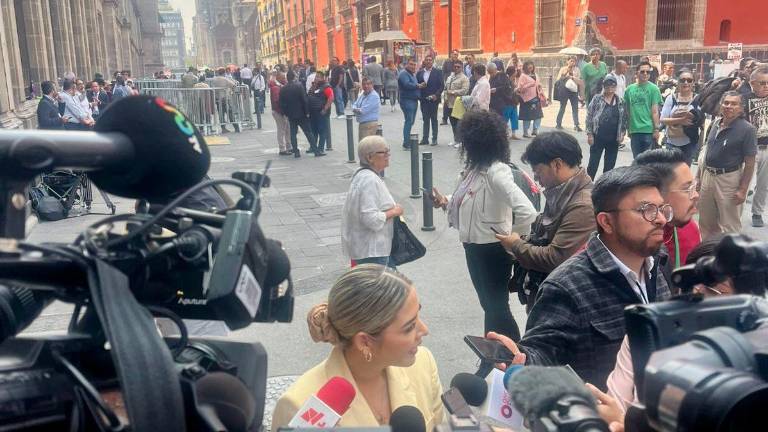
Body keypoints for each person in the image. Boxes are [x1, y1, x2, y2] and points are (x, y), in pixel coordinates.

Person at [488, 165, 672, 388]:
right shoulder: (568, 286)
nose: (661, 219)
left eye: (662, 209)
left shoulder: (658, 262)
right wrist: (522, 358)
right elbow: (543, 353)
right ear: (606, 222)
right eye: (646, 209)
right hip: (603, 418)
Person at [604, 233, 765, 417]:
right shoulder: (648, 334)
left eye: (712, 291)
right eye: (689, 287)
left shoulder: (758, 358)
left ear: (748, 303)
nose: (695, 299)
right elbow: (614, 405)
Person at [272, 265, 443, 429]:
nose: (424, 330)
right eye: (409, 327)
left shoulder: (423, 363)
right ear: (365, 342)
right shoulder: (298, 405)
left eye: (418, 315)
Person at [430, 110, 537, 340]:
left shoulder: (496, 173)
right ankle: (495, 354)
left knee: (496, 307)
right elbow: (468, 197)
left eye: (467, 143)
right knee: (489, 305)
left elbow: (528, 212)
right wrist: (445, 201)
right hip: (472, 247)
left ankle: (515, 353)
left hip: (492, 250)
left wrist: (515, 241)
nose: (464, 147)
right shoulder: (473, 170)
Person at [495, 132, 596, 310]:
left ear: (557, 164)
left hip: (562, 303)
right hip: (548, 293)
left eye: (538, 171)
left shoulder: (582, 205)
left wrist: (516, 245)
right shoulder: (562, 191)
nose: (536, 178)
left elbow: (555, 258)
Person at [634, 149, 701, 287]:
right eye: (687, 189)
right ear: (655, 194)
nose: (696, 195)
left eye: (695, 187)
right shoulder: (622, 245)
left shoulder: (689, 230)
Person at [697, 91, 757, 239]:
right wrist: (698, 178)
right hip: (708, 177)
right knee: (706, 223)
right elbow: (705, 152)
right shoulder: (715, 124)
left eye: (734, 104)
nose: (729, 106)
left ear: (741, 108)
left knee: (730, 226)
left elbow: (750, 163)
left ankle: (730, 259)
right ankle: (709, 256)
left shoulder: (747, 130)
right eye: (726, 103)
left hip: (729, 180)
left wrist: (743, 190)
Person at [341, 137, 402, 267]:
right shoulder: (369, 180)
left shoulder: (363, 175)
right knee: (390, 286)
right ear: (370, 157)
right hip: (373, 251)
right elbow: (370, 218)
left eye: (388, 151)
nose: (388, 155)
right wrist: (395, 211)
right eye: (383, 152)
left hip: (370, 249)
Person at [585, 76, 628, 179]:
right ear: (603, 86)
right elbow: (589, 116)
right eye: (607, 85)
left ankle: (604, 187)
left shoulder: (620, 101)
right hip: (597, 136)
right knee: (593, 165)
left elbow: (624, 119)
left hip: (613, 138)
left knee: (609, 166)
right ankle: (588, 186)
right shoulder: (597, 99)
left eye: (612, 85)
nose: (609, 88)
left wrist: (622, 133)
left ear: (615, 87)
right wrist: (590, 134)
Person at [660, 70, 704, 165]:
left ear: (693, 83)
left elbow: (701, 121)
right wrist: (681, 120)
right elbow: (663, 120)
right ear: (678, 82)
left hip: (689, 143)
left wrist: (692, 116)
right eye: (683, 80)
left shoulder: (698, 99)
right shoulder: (671, 98)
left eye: (689, 80)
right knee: (671, 172)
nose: (686, 83)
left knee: (684, 172)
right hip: (671, 142)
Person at [624, 61, 662, 157]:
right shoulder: (629, 90)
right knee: (636, 160)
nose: (645, 74)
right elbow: (627, 110)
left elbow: (655, 111)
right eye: (642, 71)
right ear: (636, 73)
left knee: (647, 161)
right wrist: (628, 128)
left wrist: (657, 129)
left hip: (648, 131)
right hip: (635, 131)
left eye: (648, 72)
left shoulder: (654, 89)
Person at [747, 66, 768, 227]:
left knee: (763, 184)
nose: (766, 86)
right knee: (743, 183)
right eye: (762, 83)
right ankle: (734, 214)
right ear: (752, 83)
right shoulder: (743, 98)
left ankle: (757, 213)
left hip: (766, 148)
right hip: (748, 149)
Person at [279, 70, 317, 158]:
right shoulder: (299, 86)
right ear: (294, 77)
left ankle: (296, 151)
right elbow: (304, 100)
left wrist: (286, 113)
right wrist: (307, 112)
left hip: (291, 115)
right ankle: (316, 150)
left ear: (287, 78)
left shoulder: (283, 89)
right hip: (301, 114)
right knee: (308, 132)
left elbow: (281, 103)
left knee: (293, 134)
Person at [416, 56, 444, 146]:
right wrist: (419, 86)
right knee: (425, 119)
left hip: (434, 99)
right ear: (424, 61)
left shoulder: (438, 72)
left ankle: (434, 139)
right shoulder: (420, 73)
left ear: (432, 61)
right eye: (427, 60)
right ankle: (425, 139)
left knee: (434, 119)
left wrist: (436, 95)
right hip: (423, 99)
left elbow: (441, 86)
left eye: (430, 60)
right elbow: (416, 84)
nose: (428, 61)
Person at [398, 59, 424, 150]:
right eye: (411, 64)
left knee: (410, 121)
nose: (413, 66)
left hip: (413, 100)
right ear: (407, 64)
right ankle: (406, 143)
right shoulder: (403, 74)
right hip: (407, 100)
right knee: (409, 121)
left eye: (414, 65)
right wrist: (418, 86)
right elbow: (406, 84)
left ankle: (407, 140)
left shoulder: (412, 74)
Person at [308, 71, 334, 156]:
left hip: (321, 112)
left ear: (323, 78)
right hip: (313, 112)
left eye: (318, 77)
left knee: (322, 131)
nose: (316, 78)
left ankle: (321, 148)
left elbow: (331, 97)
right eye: (316, 77)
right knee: (313, 130)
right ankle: (313, 147)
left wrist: (325, 109)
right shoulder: (314, 86)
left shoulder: (326, 87)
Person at [444, 62, 470, 147]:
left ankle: (461, 141)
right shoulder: (450, 77)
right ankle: (456, 140)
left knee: (459, 123)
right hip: (449, 103)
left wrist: (453, 92)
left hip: (458, 103)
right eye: (455, 66)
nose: (456, 68)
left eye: (458, 67)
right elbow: (446, 88)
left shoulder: (464, 78)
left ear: (462, 68)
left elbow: (465, 90)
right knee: (452, 122)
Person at [516, 61, 545, 138]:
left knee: (538, 115)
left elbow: (538, 85)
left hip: (536, 97)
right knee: (527, 116)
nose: (530, 68)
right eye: (529, 66)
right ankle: (525, 132)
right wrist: (529, 85)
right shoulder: (523, 76)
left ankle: (535, 129)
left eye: (531, 66)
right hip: (526, 99)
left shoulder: (535, 74)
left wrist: (542, 92)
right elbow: (520, 89)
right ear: (525, 67)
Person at [556, 56, 583, 132]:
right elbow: (558, 80)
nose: (572, 62)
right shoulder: (563, 69)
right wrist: (567, 71)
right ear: (567, 61)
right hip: (564, 90)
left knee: (575, 108)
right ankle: (558, 123)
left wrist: (572, 76)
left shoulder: (577, 69)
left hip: (573, 90)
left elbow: (579, 81)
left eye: (574, 61)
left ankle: (576, 125)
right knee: (562, 107)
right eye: (571, 61)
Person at [269, 72, 292, 156]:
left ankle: (289, 146)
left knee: (287, 129)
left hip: (282, 111)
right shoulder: (276, 88)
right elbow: (277, 101)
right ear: (278, 78)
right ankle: (282, 148)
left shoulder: (281, 86)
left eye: (285, 78)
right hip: (279, 112)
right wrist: (283, 110)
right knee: (281, 130)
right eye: (283, 78)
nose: (285, 79)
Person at [441, 50, 461, 124]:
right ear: (451, 55)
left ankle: (456, 118)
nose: (455, 56)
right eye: (454, 54)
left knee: (456, 101)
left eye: (456, 54)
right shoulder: (446, 62)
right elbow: (443, 72)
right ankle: (444, 119)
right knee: (446, 102)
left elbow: (462, 72)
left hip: (457, 85)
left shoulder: (460, 62)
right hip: (448, 84)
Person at [503, 65, 520, 140]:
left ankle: (513, 133)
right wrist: (515, 90)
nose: (516, 72)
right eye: (515, 71)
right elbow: (507, 92)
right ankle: (504, 133)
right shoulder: (506, 81)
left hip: (514, 102)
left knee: (514, 118)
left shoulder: (514, 80)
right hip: (508, 102)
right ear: (512, 72)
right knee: (505, 118)